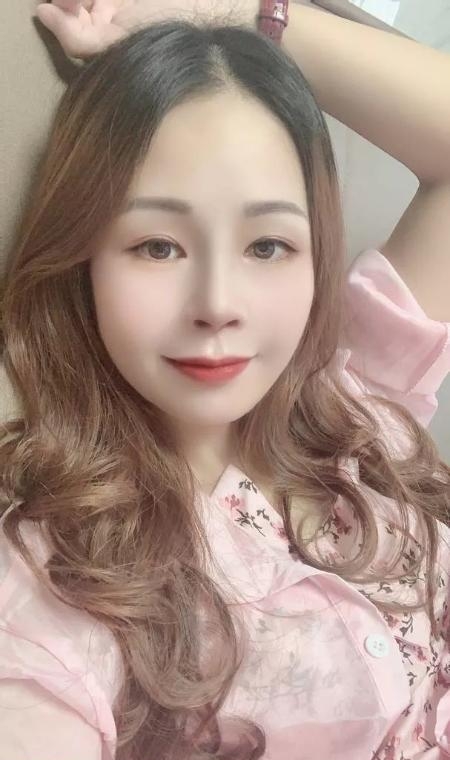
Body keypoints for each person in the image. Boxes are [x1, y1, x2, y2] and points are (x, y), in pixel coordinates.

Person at [0, 1, 449, 758]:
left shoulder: (360, 400)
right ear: (85, 261)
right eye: (157, 246)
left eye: (268, 246)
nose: (216, 304)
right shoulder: (57, 585)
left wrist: (236, 13)